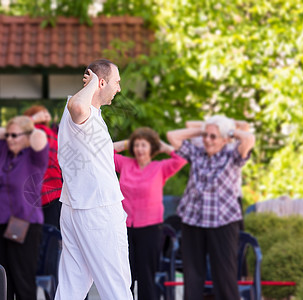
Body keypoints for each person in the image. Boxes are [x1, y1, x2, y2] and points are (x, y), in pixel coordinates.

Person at [55, 59, 133, 300]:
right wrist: (92, 85)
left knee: (72, 286)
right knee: (117, 283)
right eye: (116, 82)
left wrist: (124, 145)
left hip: (77, 206)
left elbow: (93, 153)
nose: (118, 88)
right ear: (101, 82)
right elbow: (78, 106)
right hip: (97, 209)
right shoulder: (80, 107)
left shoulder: (92, 115)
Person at [166, 115, 255, 300]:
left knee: (224, 275)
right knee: (192, 275)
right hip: (193, 220)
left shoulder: (233, 156)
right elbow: (172, 136)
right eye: (206, 136)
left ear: (224, 140)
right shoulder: (197, 152)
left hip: (223, 222)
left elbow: (248, 138)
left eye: (213, 137)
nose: (207, 140)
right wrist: (206, 128)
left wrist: (227, 130)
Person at [113, 127, 187, 299]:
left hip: (150, 228)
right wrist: (126, 143)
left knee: (147, 276)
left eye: (144, 145)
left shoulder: (159, 167)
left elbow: (183, 158)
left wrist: (163, 146)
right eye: (136, 145)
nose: (139, 149)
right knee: (125, 276)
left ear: (152, 149)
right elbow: (102, 152)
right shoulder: (125, 164)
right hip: (124, 227)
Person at [0, 116, 48, 300]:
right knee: (0, 278)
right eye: (7, 135)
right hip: (0, 220)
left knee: (22, 280)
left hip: (24, 222)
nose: (9, 139)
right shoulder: (5, 151)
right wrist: (10, 131)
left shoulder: (35, 156)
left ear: (27, 136)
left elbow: (39, 136)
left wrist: (31, 122)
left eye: (14, 135)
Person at [23, 105, 63, 229]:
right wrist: (33, 119)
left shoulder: (51, 133)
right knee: (52, 234)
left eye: (46, 111)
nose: (46, 113)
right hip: (51, 189)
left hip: (35, 190)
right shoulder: (34, 131)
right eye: (41, 112)